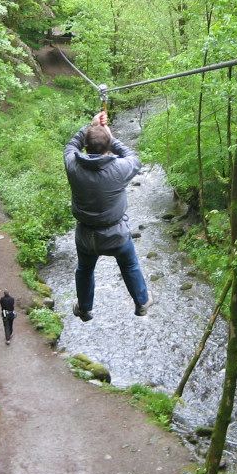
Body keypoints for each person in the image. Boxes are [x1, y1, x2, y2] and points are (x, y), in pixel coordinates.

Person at [64, 110, 152, 321]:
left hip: (86, 235)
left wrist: (90, 126)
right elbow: (133, 157)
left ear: (86, 146)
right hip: (116, 235)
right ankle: (141, 302)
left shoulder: (73, 166)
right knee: (129, 264)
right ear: (107, 147)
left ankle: (85, 309)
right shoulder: (120, 168)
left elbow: (70, 146)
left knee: (84, 269)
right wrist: (110, 137)